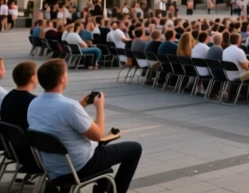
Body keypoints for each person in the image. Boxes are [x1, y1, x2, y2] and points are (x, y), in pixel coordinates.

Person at [27, 59, 143, 193]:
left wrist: (82, 104)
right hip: (78, 166)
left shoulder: (34, 103)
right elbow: (97, 135)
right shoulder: (70, 107)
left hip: (52, 165)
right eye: (66, 73)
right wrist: (100, 108)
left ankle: (102, 187)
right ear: (61, 79)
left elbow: (58, 118)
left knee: (104, 150)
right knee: (135, 148)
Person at [0, 60, 38, 130]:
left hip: (9, 136)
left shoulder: (7, 97)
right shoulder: (34, 101)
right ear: (32, 78)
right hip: (26, 136)